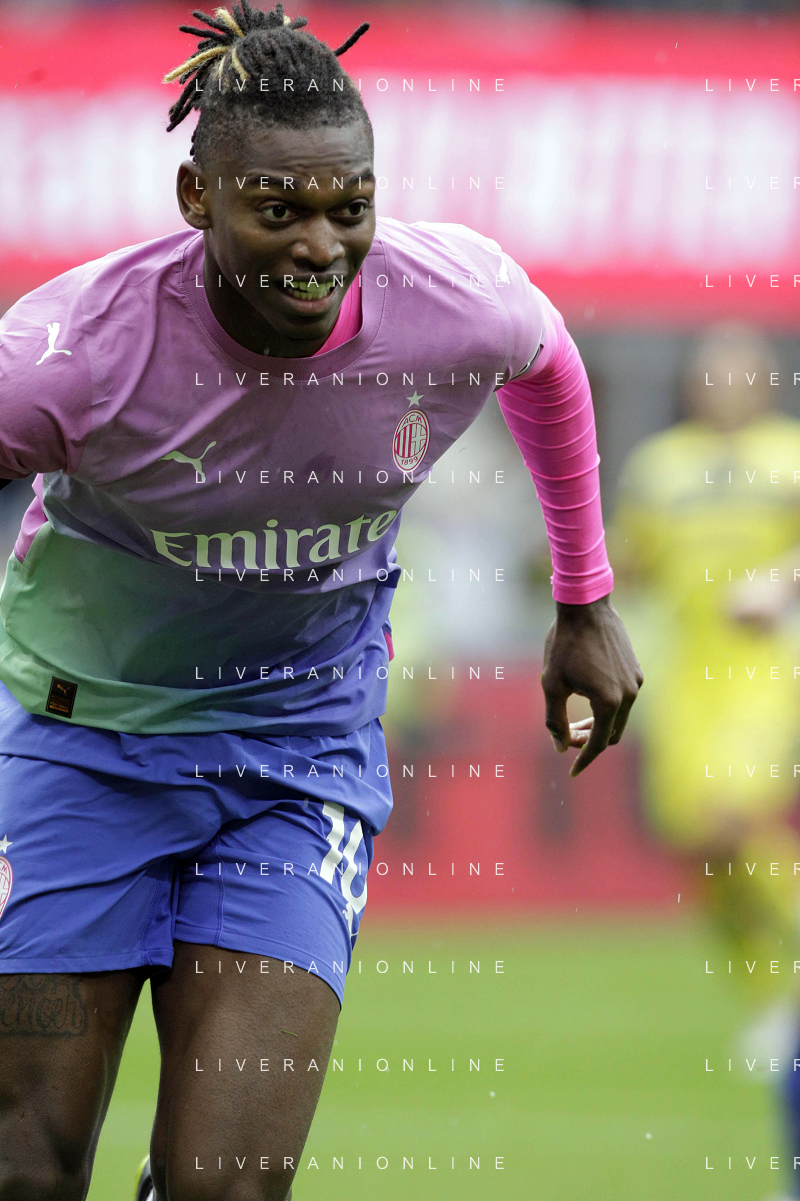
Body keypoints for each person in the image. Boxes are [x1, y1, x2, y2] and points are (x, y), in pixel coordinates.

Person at [0, 5, 641, 1200]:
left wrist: (581, 600)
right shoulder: (73, 352)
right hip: (76, 752)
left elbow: (547, 362)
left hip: (296, 760)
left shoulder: (452, 300)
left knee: (228, 1184)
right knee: (24, 1169)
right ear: (197, 197)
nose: (319, 245)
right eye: (277, 210)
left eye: (349, 207)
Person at [611, 322, 800, 1201]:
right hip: (688, 670)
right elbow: (634, 561)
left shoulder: (789, 455)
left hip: (765, 668)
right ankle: (770, 999)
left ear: (764, 382)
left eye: (740, 373)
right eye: (712, 373)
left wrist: (783, 582)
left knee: (732, 814)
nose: (725, 386)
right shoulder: (662, 467)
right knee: (700, 842)